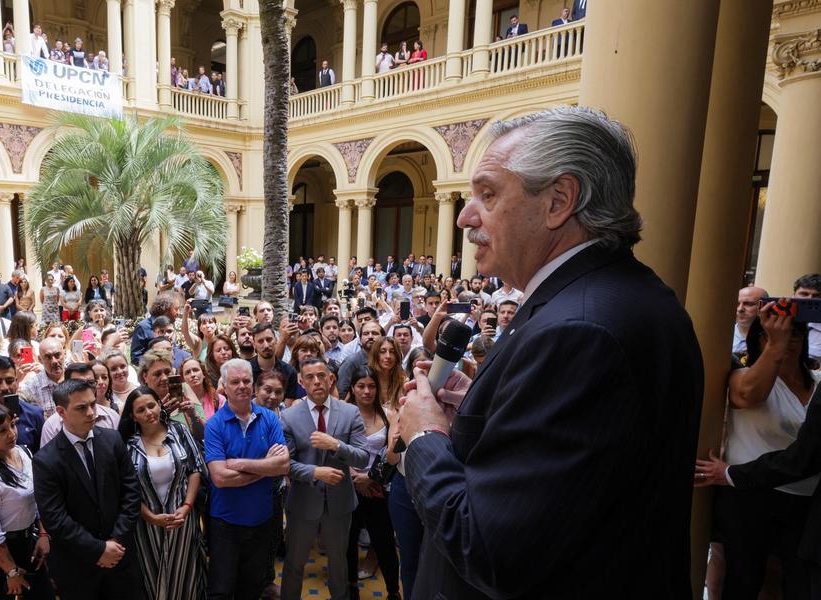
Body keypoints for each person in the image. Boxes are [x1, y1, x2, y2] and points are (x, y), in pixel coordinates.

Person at [396, 107, 703, 597]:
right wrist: (487, 412)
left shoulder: (579, 331)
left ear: (559, 201)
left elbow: (490, 547)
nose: (465, 217)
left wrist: (424, 436)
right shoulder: (620, 297)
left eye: (488, 195)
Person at [700, 303, 819, 598]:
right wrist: (776, 346)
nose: (786, 341)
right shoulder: (742, 377)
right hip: (748, 494)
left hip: (806, 499)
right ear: (758, 340)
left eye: (794, 335)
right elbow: (749, 395)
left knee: (794, 582)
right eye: (770, 334)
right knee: (744, 578)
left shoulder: (817, 384)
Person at [33, 379, 144, 600]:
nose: (91, 412)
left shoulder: (112, 440)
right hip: (78, 566)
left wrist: (115, 541)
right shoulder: (45, 460)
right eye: (81, 408)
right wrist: (98, 549)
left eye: (93, 404)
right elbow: (55, 518)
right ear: (61, 412)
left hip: (120, 557)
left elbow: (131, 492)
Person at [280, 358, 369, 600]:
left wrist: (336, 445)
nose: (317, 381)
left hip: (339, 503)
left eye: (322, 376)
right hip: (303, 502)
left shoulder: (350, 412)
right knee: (294, 563)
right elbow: (285, 464)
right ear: (301, 382)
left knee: (339, 564)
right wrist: (314, 473)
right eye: (310, 377)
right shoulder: (289, 417)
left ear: (331, 379)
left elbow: (363, 458)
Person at [205, 359, 289, 599]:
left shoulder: (269, 418)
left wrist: (242, 464)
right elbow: (220, 478)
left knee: (252, 588)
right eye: (235, 382)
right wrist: (266, 467)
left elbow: (283, 465)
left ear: (253, 384)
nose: (241, 386)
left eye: (246, 381)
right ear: (224, 386)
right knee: (221, 589)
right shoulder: (214, 425)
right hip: (226, 522)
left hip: (261, 519)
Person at [117, 388, 208, 599]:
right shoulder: (127, 445)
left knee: (186, 574)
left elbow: (195, 469)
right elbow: (125, 490)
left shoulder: (179, 431)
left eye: (152, 405)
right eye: (141, 410)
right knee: (152, 577)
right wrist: (150, 517)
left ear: (160, 404)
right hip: (146, 525)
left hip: (182, 519)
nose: (149, 412)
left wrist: (187, 507)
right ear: (133, 416)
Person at [0, 403, 55, 599]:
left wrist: (42, 533)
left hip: (28, 542)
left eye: (13, 425)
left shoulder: (22, 453)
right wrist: (11, 572)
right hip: (0, 557)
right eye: (2, 431)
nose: (12, 433)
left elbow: (37, 498)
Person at [343, 365, 401, 600]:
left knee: (384, 541)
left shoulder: (389, 415)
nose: (367, 391)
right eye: (361, 386)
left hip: (378, 487)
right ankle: (351, 588)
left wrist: (370, 478)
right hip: (348, 486)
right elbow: (334, 451)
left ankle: (393, 591)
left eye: (371, 386)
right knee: (348, 540)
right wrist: (355, 478)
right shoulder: (342, 414)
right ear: (352, 388)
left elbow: (394, 451)